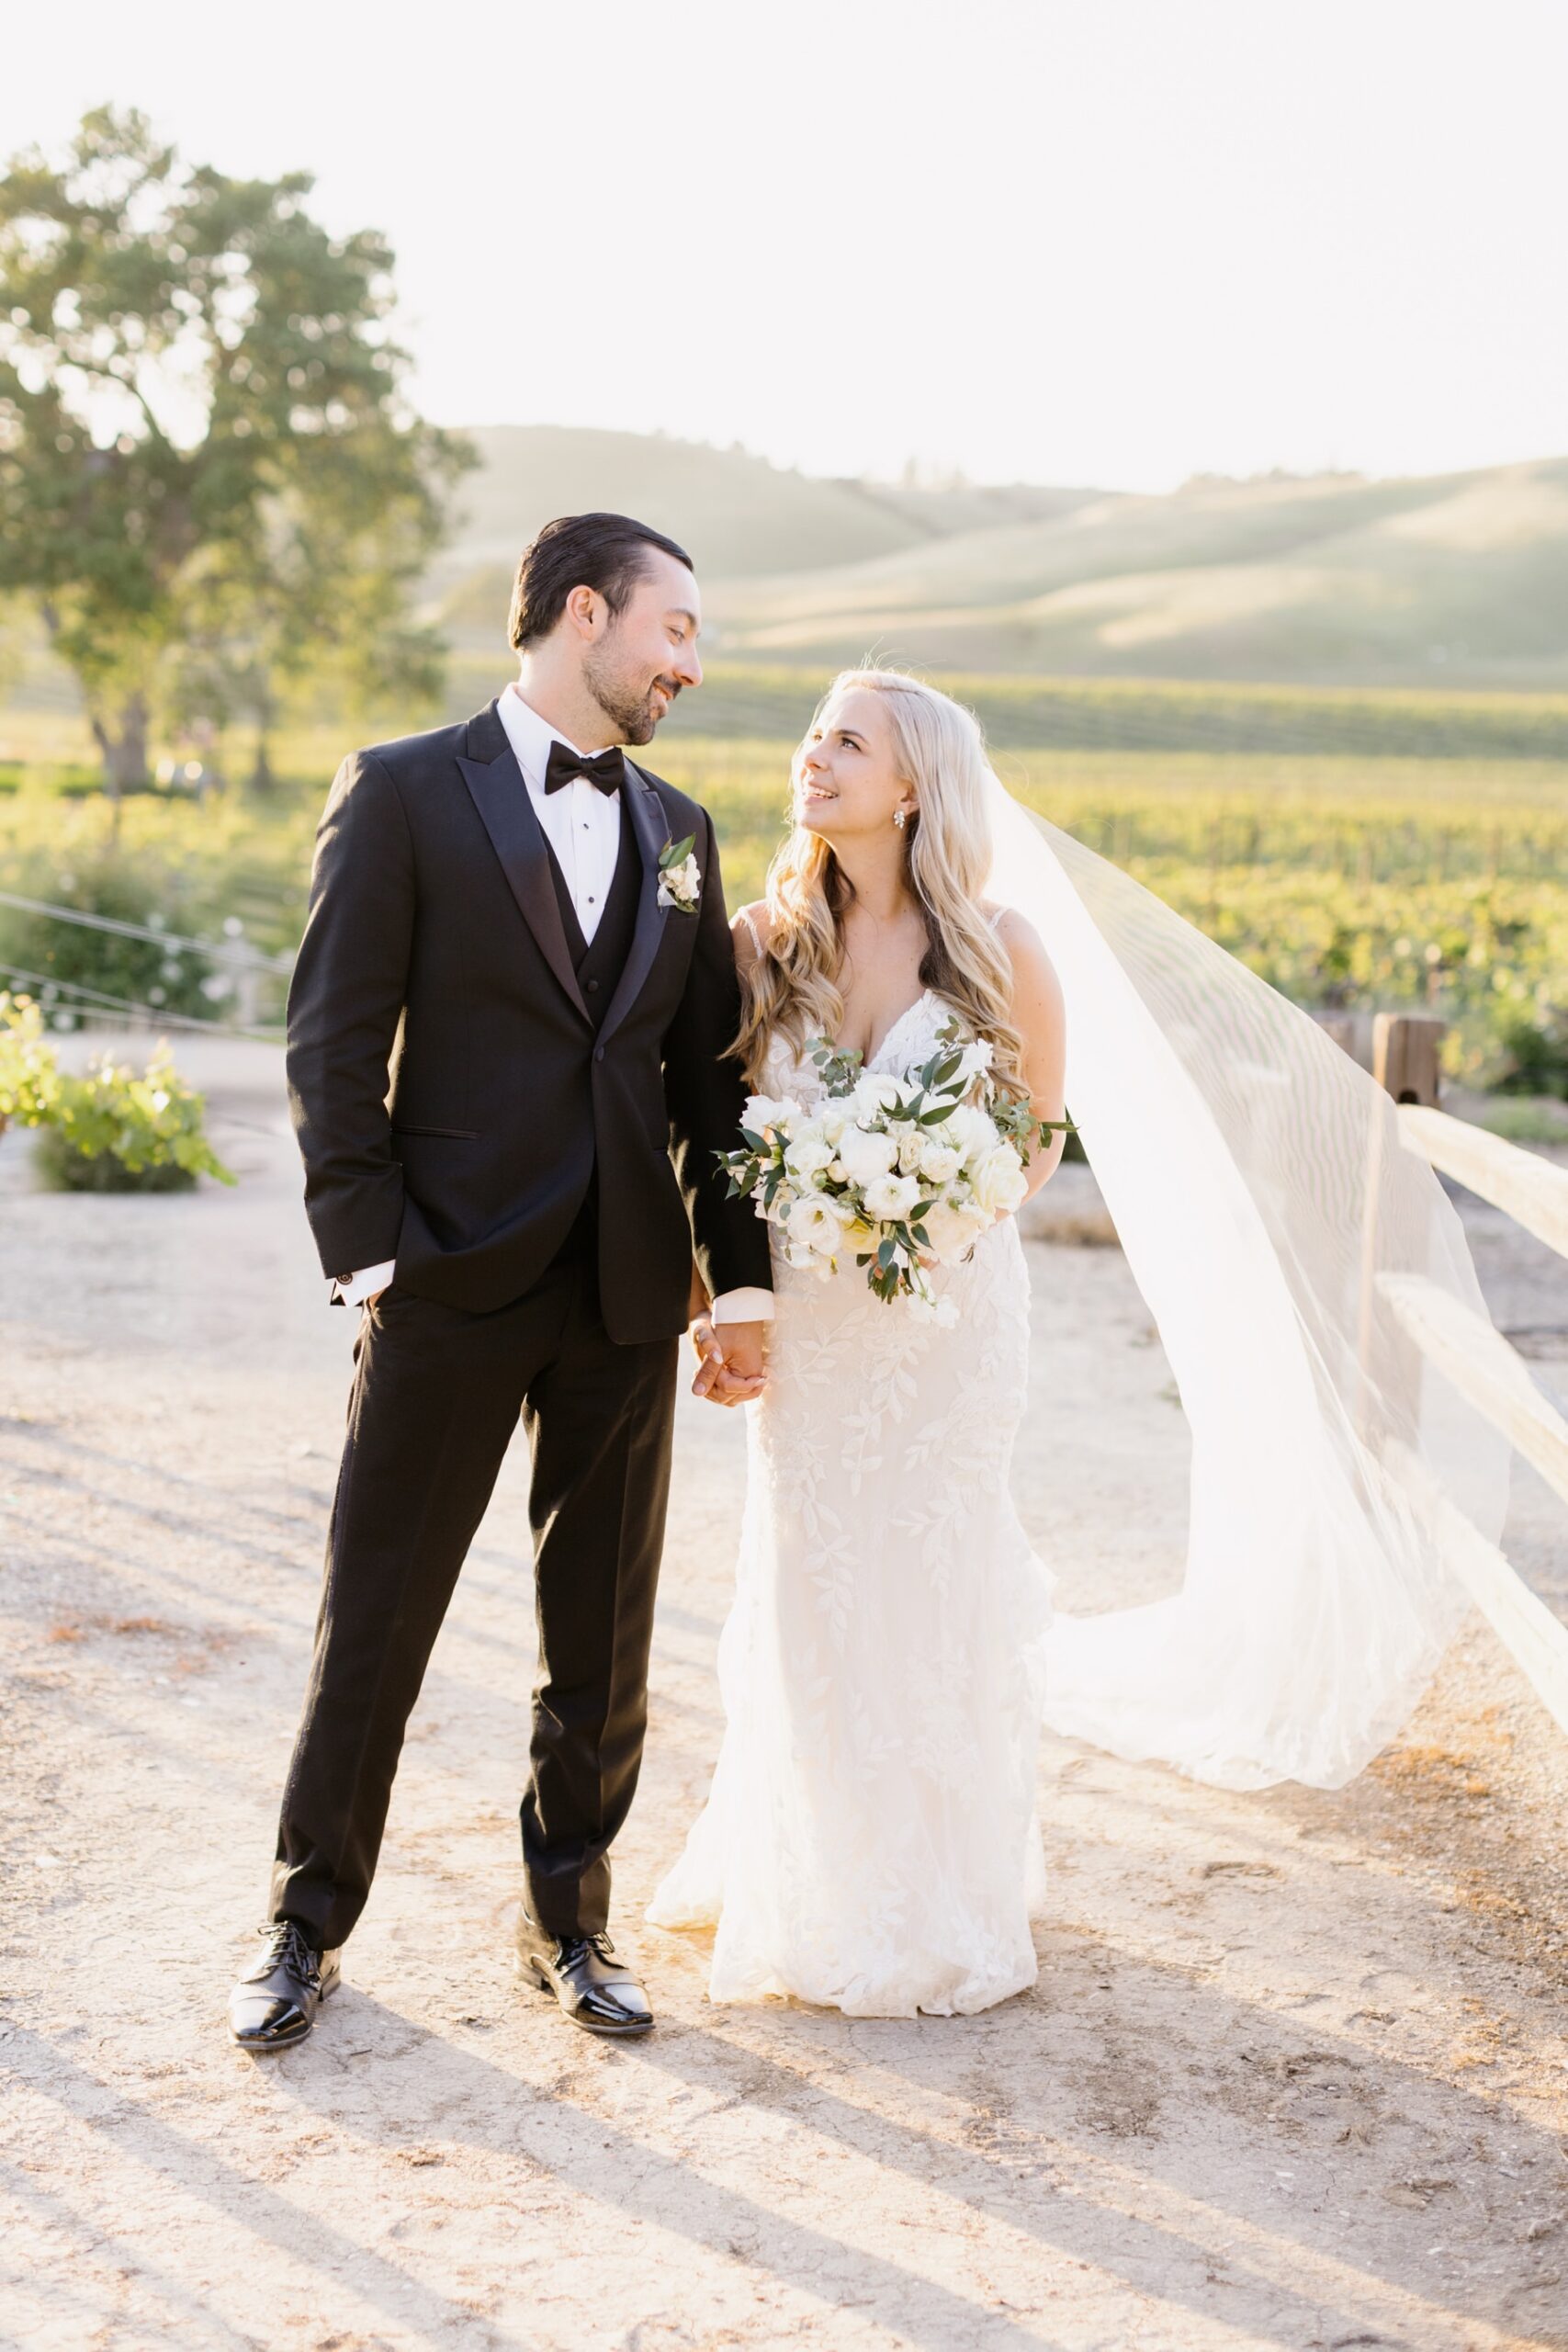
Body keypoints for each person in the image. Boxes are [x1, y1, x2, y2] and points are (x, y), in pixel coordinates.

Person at [229, 514, 773, 2051]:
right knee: (378, 1619)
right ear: (584, 614)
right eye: (675, 629)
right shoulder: (404, 788)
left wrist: (737, 1282)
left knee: (599, 1641)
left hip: (622, 1295)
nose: (689, 663)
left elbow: (707, 1086)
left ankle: (570, 1925)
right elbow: (331, 1040)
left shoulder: (678, 828)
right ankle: (303, 1924)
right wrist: (372, 1252)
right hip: (446, 1281)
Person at [649, 669, 1070, 2016]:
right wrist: (739, 1298)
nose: (812, 755)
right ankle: (819, 1882)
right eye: (812, 734)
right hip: (820, 1338)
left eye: (848, 740)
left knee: (940, 1581)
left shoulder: (1002, 949)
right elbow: (716, 1141)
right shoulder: (764, 943)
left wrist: (941, 1197)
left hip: (951, 1324)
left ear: (913, 785)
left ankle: (945, 1890)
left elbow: (1039, 1141)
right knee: (817, 1585)